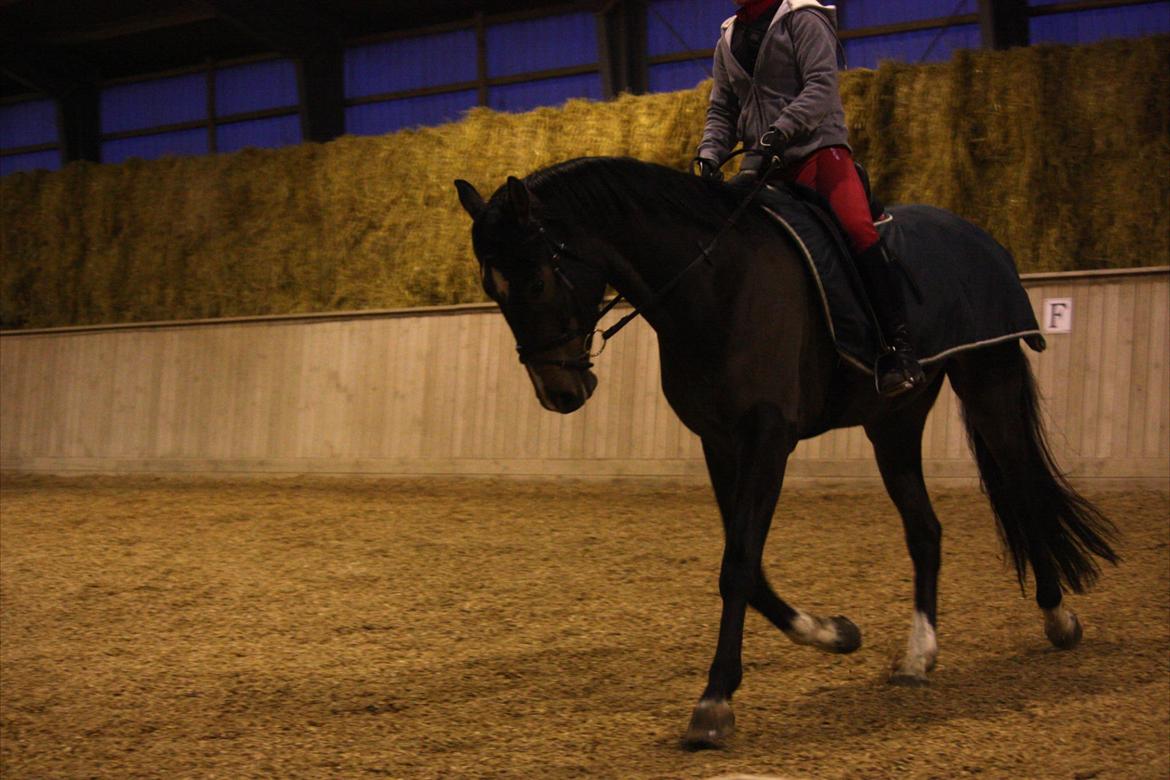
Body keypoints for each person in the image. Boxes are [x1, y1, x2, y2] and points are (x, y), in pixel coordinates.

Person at [693, 0, 925, 397]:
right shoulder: (727, 37)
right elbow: (722, 110)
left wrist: (780, 131)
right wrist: (709, 153)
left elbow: (821, 86)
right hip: (763, 163)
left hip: (817, 151)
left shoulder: (804, 18)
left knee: (857, 229)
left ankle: (897, 348)